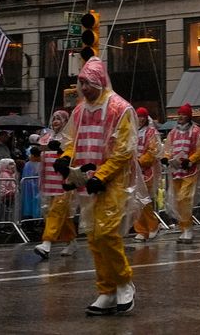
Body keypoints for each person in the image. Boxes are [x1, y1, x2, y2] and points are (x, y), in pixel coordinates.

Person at [65, 57, 137, 316]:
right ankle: (106, 290)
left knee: (107, 233)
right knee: (94, 236)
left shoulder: (120, 108)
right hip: (88, 182)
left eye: (87, 83)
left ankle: (124, 281)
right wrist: (65, 160)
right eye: (81, 83)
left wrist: (103, 175)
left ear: (99, 81)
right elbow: (71, 140)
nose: (83, 88)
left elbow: (124, 150)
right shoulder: (80, 110)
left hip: (113, 182)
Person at [32, 110, 74, 259]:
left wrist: (61, 150)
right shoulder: (46, 137)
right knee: (61, 214)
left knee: (56, 211)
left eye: (59, 119)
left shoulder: (70, 137)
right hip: (48, 182)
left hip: (64, 183)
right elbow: (36, 158)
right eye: (54, 118)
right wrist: (35, 153)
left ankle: (47, 243)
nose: (56, 121)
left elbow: (72, 154)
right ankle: (71, 240)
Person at [166, 106, 200, 244]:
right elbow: (167, 149)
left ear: (189, 116)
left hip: (190, 170)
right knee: (178, 200)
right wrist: (166, 158)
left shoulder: (197, 132)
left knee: (185, 198)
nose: (180, 117)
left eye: (183, 114)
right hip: (176, 171)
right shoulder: (172, 133)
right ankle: (183, 228)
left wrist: (191, 160)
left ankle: (188, 228)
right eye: (179, 114)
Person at [128, 108, 162, 242]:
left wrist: (140, 162)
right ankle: (141, 229)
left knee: (144, 200)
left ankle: (153, 226)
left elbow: (154, 151)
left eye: (142, 116)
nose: (140, 119)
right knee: (135, 201)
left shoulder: (151, 132)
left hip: (146, 171)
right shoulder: (132, 132)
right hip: (133, 171)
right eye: (138, 116)